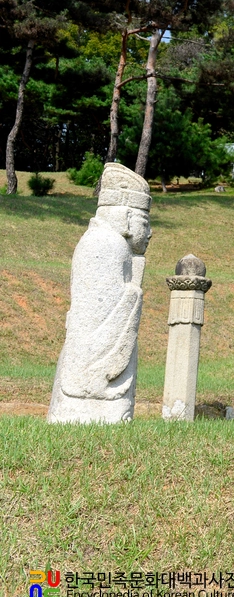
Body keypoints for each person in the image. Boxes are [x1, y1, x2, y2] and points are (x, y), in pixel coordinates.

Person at [47, 163, 151, 424]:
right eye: (144, 221)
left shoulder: (107, 243)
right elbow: (100, 317)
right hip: (90, 376)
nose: (150, 233)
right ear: (126, 219)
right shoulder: (106, 244)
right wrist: (133, 295)